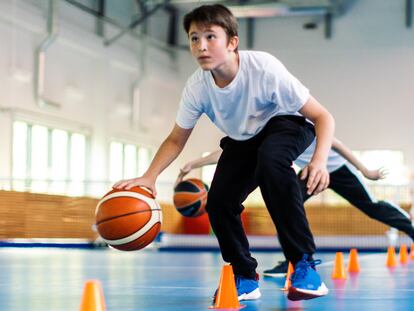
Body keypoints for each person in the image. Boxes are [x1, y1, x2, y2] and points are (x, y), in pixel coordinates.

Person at [113, 4, 335, 301]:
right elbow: (176, 139)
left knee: (272, 162)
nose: (201, 46)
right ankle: (244, 275)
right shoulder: (197, 88)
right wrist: (149, 177)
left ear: (232, 42)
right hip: (243, 139)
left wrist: (319, 162)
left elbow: (323, 117)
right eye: (194, 38)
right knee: (218, 203)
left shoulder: (264, 68)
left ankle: (304, 263)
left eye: (210, 37)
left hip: (287, 123)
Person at [176, 138, 414, 277]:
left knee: (371, 207)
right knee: (286, 205)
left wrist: (364, 170)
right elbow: (231, 152)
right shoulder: (265, 129)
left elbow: (333, 141)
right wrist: (194, 163)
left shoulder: (296, 115)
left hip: (338, 170)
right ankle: (295, 259)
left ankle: (411, 228)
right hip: (310, 171)